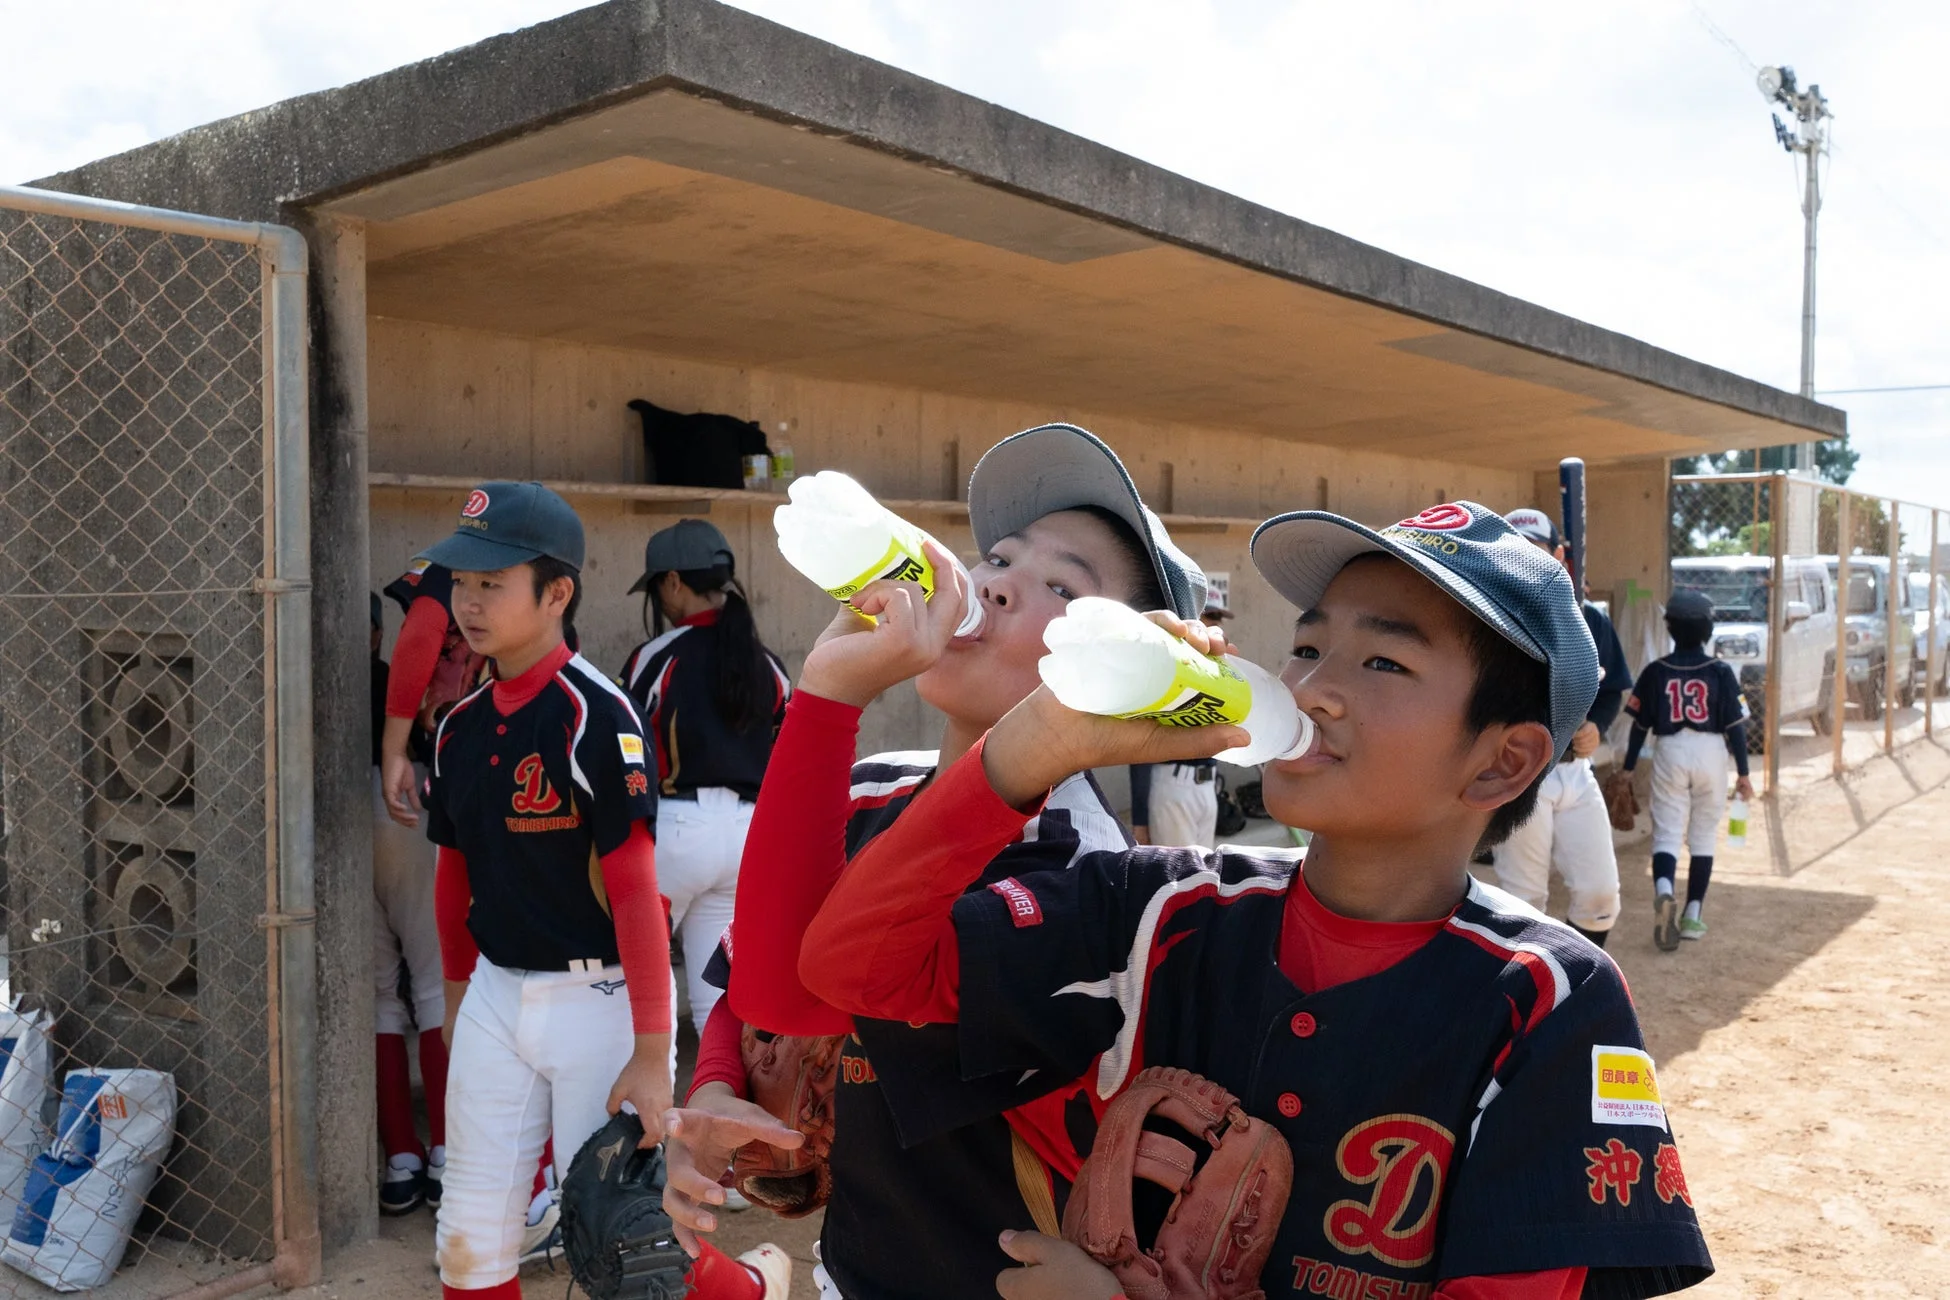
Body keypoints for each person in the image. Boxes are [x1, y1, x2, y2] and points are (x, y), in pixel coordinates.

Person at [802, 501, 1713, 1298]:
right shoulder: (1164, 906)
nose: (1312, 689)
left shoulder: (1549, 996)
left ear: (1503, 760)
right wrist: (1039, 745)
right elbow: (854, 966)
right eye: (1310, 646)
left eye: (1384, 663)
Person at [660, 425, 1208, 1300]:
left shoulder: (1081, 872)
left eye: (1060, 586)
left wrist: (830, 695)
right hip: (851, 1268)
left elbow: (809, 988)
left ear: (1125, 666)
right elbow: (748, 993)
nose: (992, 581)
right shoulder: (874, 787)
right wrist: (720, 1088)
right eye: (998, 556)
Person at [417, 481, 680, 1300]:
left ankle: (745, 1285)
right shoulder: (459, 725)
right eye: (462, 581)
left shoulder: (596, 713)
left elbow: (637, 893)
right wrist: (459, 995)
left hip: (598, 998)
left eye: (493, 583)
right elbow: (451, 873)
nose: (469, 601)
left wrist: (650, 1048)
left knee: (614, 1238)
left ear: (556, 592)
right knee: (468, 1234)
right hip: (498, 990)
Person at [620, 520, 790, 1039]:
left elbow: (624, 752)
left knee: (623, 989)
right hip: (748, 836)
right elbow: (790, 756)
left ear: (673, 582)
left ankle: (636, 1116)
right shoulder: (769, 663)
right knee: (718, 1003)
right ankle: (721, 1114)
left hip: (674, 831)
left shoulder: (657, 656)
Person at [1490, 506, 1633, 947]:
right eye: (1518, 549)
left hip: (1573, 769)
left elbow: (1612, 689)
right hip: (1518, 771)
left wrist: (1596, 727)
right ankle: (1524, 1003)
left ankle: (1576, 983)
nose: (1530, 557)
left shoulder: (1587, 617)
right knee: (1524, 902)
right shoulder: (1487, 616)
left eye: (1539, 549)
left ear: (1557, 555)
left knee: (1600, 896)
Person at [369, 593, 449, 1216]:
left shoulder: (297, 675)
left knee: (376, 997)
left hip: (327, 825)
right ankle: (446, 1150)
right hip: (404, 807)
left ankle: (401, 1158)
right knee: (431, 983)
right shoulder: (398, 677)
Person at [1620, 589, 1753, 951]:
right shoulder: (1720, 671)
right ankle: (1693, 915)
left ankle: (1664, 891)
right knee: (1703, 835)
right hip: (1711, 750)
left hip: (1670, 750)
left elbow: (1638, 727)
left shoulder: (1656, 671)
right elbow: (1736, 728)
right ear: (1708, 628)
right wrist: (1743, 772)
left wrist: (1629, 769)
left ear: (1670, 628)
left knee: (1666, 833)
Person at [1127, 595, 1234, 847]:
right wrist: (1140, 819)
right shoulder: (1168, 669)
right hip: (1174, 785)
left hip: (1207, 784)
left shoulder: (1217, 670)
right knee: (1180, 878)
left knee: (1204, 874)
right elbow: (1142, 748)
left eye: (1217, 620)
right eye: (1209, 619)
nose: (1215, 628)